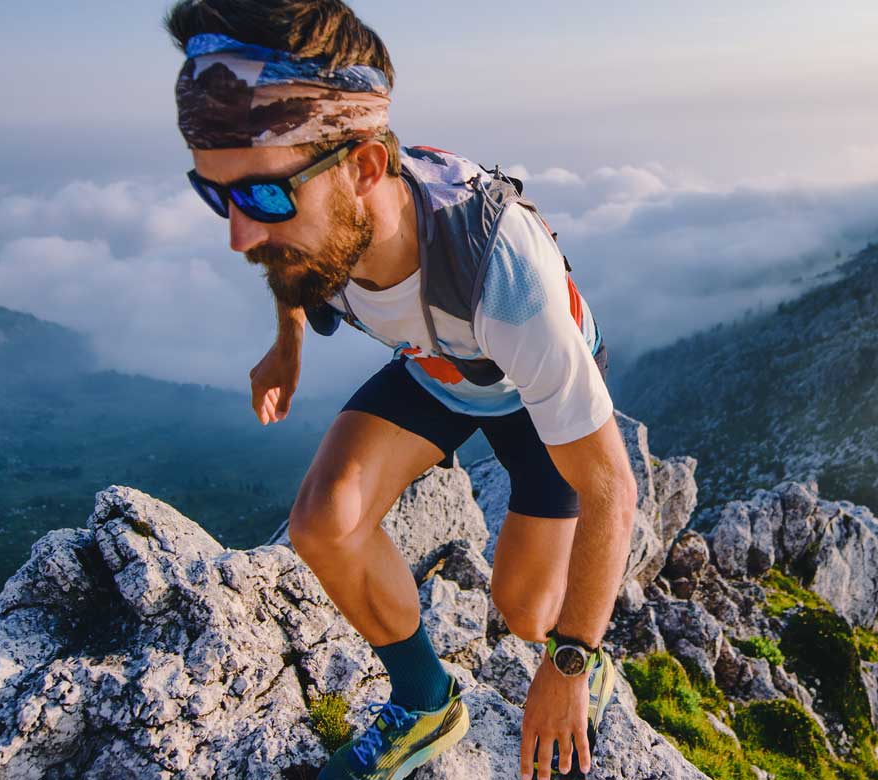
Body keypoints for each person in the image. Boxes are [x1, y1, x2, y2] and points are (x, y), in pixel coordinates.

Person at [166, 2, 638, 778]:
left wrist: (568, 668)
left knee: (526, 614)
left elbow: (611, 487)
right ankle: (426, 703)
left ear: (366, 169)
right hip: (439, 370)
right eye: (217, 195)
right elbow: (290, 265)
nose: (240, 236)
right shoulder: (325, 220)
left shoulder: (502, 277)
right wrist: (284, 349)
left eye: (264, 198)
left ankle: (598, 665)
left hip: (521, 388)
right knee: (324, 522)